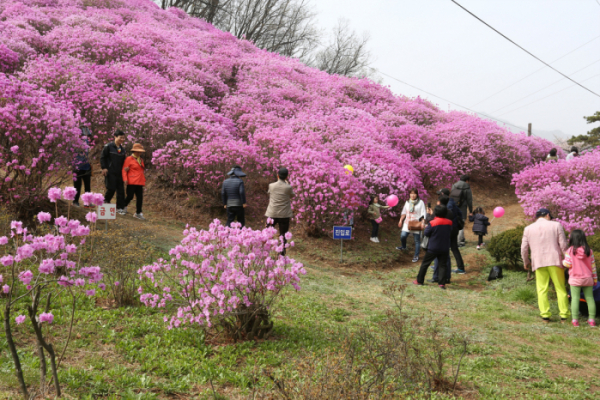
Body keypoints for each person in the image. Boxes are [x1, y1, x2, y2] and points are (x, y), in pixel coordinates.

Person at [521, 208, 569, 323]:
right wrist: (568, 259)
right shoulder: (556, 225)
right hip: (555, 260)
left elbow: (523, 248)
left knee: (542, 289)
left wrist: (526, 261)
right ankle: (564, 316)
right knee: (560, 288)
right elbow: (563, 244)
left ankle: (545, 316)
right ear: (547, 215)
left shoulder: (528, 229)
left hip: (538, 262)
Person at [413, 205, 453, 290]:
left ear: (436, 213)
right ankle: (442, 283)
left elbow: (426, 233)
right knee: (443, 265)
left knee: (425, 264)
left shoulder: (432, 222)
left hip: (433, 247)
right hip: (444, 247)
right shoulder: (449, 222)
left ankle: (419, 280)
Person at [563, 230, 597, 328]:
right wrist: (594, 279)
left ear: (572, 239)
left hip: (575, 279)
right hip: (588, 278)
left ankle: (575, 321)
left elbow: (567, 264)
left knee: (575, 299)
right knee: (590, 298)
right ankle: (592, 320)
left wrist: (562, 262)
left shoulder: (570, 250)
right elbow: (593, 266)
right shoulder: (589, 251)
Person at [265, 167, 295, 255]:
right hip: (284, 215)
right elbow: (292, 195)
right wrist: (286, 183)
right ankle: (281, 253)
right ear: (286, 177)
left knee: (268, 233)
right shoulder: (288, 187)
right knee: (283, 234)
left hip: (272, 213)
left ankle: (265, 250)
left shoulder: (271, 185)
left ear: (277, 176)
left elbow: (269, 193)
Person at [437, 188, 466, 274]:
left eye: (440, 194)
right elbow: (460, 214)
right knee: (454, 248)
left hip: (448, 228)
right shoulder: (453, 203)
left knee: (443, 247)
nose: (438, 196)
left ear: (443, 194)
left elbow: (445, 215)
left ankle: (440, 266)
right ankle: (461, 268)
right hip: (455, 228)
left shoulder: (447, 205)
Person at [396, 189, 426, 263]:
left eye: (414, 194)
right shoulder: (407, 202)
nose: (412, 195)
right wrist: (400, 220)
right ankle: (403, 246)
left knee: (417, 240)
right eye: (411, 194)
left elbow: (423, 214)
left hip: (416, 223)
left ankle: (416, 256)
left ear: (417, 194)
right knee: (403, 236)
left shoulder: (421, 202)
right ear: (409, 194)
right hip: (407, 222)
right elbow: (404, 212)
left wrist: (422, 222)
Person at [100, 129, 127, 212]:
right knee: (111, 188)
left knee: (121, 190)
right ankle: (105, 202)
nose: (122, 139)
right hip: (110, 171)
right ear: (115, 137)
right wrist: (104, 168)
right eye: (120, 137)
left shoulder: (122, 149)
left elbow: (124, 160)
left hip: (119, 172)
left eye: (123, 138)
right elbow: (102, 157)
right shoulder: (108, 147)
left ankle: (119, 207)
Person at [122, 143, 146, 219]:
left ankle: (138, 212)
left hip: (140, 181)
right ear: (134, 151)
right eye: (138, 151)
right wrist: (125, 179)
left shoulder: (141, 159)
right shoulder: (129, 159)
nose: (139, 153)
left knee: (140, 197)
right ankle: (123, 206)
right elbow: (124, 170)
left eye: (140, 151)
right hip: (131, 181)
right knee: (130, 196)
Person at [450, 175, 473, 247]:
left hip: (454, 208)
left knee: (454, 224)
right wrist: (471, 210)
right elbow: (469, 200)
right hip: (462, 208)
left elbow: (451, 197)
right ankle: (458, 242)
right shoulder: (467, 187)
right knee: (461, 225)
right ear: (467, 180)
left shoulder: (454, 186)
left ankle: (461, 240)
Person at [72, 127, 92, 207]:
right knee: (77, 185)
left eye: (83, 134)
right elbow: (69, 153)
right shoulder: (73, 142)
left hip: (86, 166)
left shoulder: (86, 141)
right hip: (77, 167)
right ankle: (75, 201)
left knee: (87, 185)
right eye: (80, 134)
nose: (82, 135)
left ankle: (87, 202)